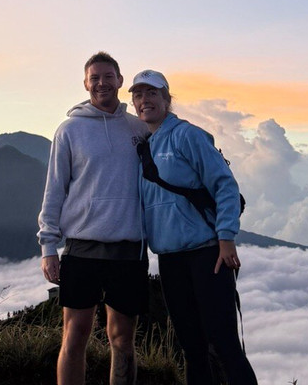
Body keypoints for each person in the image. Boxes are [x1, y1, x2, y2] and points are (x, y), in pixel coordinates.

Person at [129, 69, 258, 385]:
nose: (145, 100)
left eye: (152, 93)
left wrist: (226, 238)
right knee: (192, 348)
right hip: (170, 260)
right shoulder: (144, 146)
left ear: (167, 99)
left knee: (225, 345)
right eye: (138, 94)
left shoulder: (187, 135)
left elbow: (224, 185)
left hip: (208, 254)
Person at [38, 51, 150, 385]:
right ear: (86, 83)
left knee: (123, 341)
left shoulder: (138, 128)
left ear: (120, 80)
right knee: (74, 337)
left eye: (108, 76)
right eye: (94, 77)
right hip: (82, 248)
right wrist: (48, 247)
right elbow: (54, 189)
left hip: (129, 249)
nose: (101, 83)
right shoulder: (70, 130)